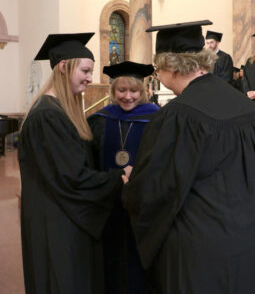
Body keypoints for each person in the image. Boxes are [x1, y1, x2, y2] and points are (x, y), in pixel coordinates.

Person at [122, 20, 255, 294]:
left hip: (198, 251)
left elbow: (156, 188)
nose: (157, 74)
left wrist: (131, 184)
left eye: (157, 67)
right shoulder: (245, 106)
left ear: (170, 65)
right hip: (245, 240)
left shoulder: (179, 116)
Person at [18, 33, 132, 294]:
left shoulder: (58, 111)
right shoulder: (48, 116)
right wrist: (118, 178)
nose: (90, 78)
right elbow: (73, 178)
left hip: (62, 219)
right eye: (85, 70)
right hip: (57, 226)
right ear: (63, 66)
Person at [87, 61, 160, 294]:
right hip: (108, 203)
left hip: (142, 206)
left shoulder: (157, 120)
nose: (128, 96)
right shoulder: (100, 119)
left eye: (134, 91)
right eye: (121, 90)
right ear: (113, 91)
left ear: (144, 91)